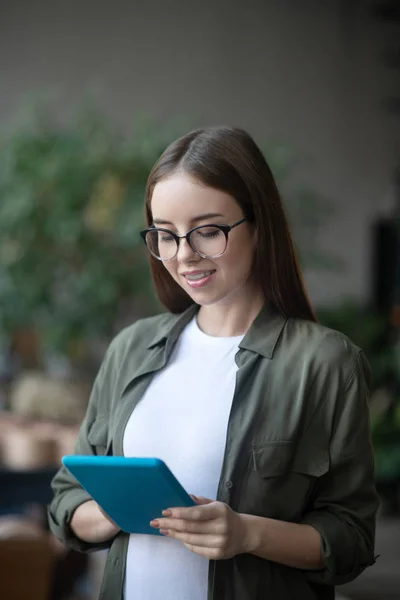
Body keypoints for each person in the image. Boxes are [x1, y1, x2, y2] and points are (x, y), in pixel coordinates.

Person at [48, 126, 379, 600]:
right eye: (165, 235)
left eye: (207, 231)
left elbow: (352, 538)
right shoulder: (130, 348)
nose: (184, 255)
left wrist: (248, 534)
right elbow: (66, 501)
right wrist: (116, 509)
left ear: (258, 225)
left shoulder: (325, 364)